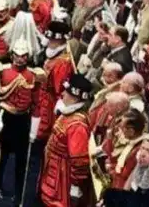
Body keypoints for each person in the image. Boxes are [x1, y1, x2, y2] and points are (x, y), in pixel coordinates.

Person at [0, 39, 43, 204]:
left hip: (23, 120)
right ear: (12, 55)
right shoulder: (2, 72)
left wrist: (33, 131)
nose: (20, 59)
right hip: (5, 117)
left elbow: (36, 104)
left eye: (23, 56)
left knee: (22, 159)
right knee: (2, 155)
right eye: (17, 55)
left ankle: (19, 190)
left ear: (28, 56)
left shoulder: (33, 76)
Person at [37, 74, 92, 207]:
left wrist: (75, 185)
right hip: (53, 170)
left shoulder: (77, 126)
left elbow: (79, 160)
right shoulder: (67, 113)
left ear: (75, 97)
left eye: (66, 92)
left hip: (62, 178)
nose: (62, 94)